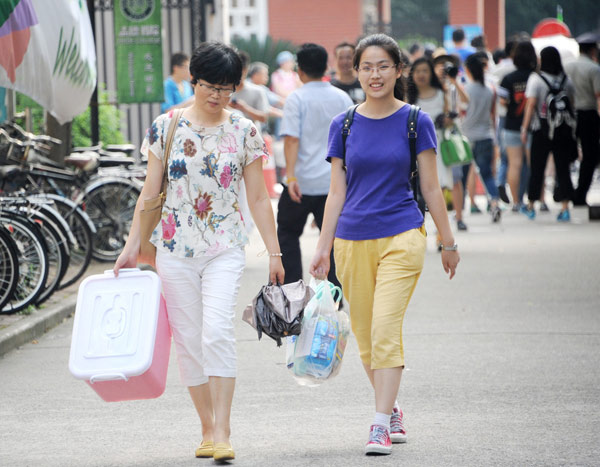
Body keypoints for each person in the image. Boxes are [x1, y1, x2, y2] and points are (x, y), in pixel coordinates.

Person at [113, 42, 284, 462]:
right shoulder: (166, 126)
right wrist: (132, 246)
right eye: (210, 86)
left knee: (216, 331)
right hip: (173, 249)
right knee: (189, 341)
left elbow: (258, 198)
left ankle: (223, 429)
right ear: (194, 81)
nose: (217, 95)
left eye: (226, 88)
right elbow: (149, 193)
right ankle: (206, 427)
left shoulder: (244, 130)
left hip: (225, 246)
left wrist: (275, 253)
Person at [309, 33, 460, 456]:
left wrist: (448, 242)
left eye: (383, 66)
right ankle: (390, 407)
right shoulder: (344, 125)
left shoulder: (416, 121)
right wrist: (322, 247)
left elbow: (431, 188)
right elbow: (336, 192)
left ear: (398, 71)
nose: (375, 75)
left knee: (384, 328)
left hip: (402, 234)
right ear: (355, 72)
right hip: (351, 240)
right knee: (364, 335)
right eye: (367, 67)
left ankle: (378, 425)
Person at [277, 43, 352, 288]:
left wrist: (290, 177)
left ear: (299, 70)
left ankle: (292, 293)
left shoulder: (296, 98)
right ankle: (334, 297)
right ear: (326, 67)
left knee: (287, 235)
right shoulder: (342, 98)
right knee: (333, 240)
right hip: (334, 184)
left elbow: (292, 139)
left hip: (301, 183)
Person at [407, 57, 467, 233]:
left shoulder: (442, 94)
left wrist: (447, 120)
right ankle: (419, 228)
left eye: (425, 71)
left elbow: (454, 115)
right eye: (417, 71)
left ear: (431, 73)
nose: (421, 75)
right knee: (418, 189)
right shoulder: (408, 96)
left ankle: (441, 231)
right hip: (414, 147)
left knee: (440, 186)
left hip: (438, 145)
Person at [521, 46, 577, 221]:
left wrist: (524, 128)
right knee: (563, 169)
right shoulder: (566, 80)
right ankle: (565, 207)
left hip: (541, 130)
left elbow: (531, 104)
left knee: (537, 168)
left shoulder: (536, 79)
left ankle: (531, 205)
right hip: (562, 130)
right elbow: (571, 104)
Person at [454, 54, 501, 222]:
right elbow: (493, 115)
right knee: (487, 174)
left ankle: (459, 211)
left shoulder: (465, 90)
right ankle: (494, 202)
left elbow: (460, 111)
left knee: (462, 176)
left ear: (467, 70)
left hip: (466, 136)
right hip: (486, 135)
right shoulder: (490, 89)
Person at [498, 41, 537, 211]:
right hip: (534, 127)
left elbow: (502, 101)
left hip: (511, 125)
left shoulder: (508, 78)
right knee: (535, 164)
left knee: (514, 164)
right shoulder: (536, 77)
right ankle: (538, 200)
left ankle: (516, 202)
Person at [564, 39, 600, 206]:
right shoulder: (594, 69)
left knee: (567, 154)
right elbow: (598, 96)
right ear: (592, 51)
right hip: (588, 114)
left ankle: (564, 189)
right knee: (589, 155)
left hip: (569, 113)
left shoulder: (567, 66)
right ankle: (580, 194)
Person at [229, 51, 269, 125]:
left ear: (246, 70)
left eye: (240, 72)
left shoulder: (257, 91)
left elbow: (264, 117)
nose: (237, 76)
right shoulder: (223, 90)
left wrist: (245, 108)